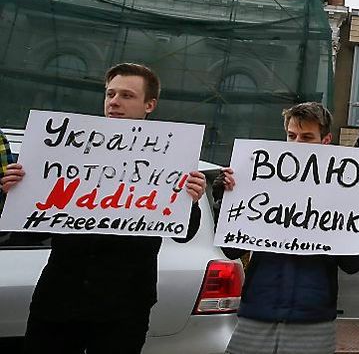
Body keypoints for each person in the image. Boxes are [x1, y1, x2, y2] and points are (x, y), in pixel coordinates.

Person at [0, 62, 207, 354]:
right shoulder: (65, 149)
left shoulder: (170, 158)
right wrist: (16, 193)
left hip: (124, 306)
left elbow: (183, 234)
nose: (114, 102)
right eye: (110, 94)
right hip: (59, 298)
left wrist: (192, 201)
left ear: (150, 104)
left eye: (126, 95)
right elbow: (26, 234)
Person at [217, 102, 359, 354]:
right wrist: (225, 200)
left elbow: (351, 265)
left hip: (312, 320)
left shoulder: (340, 194)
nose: (297, 143)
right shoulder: (259, 181)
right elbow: (231, 250)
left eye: (307, 137)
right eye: (292, 135)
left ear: (325, 140)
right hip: (256, 315)